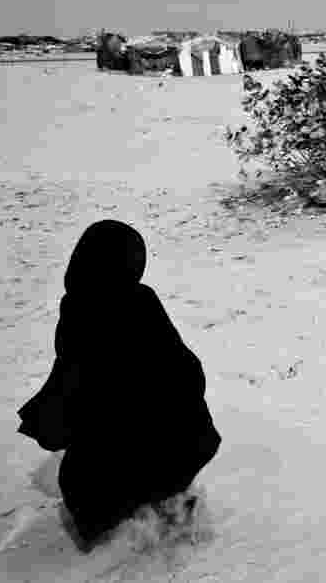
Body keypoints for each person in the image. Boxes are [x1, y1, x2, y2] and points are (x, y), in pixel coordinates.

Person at [18, 220, 221, 547]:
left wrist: (49, 422)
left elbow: (73, 384)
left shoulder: (81, 310)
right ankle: (164, 501)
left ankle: (125, 525)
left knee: (86, 481)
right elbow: (186, 367)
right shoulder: (141, 299)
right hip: (185, 439)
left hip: (131, 444)